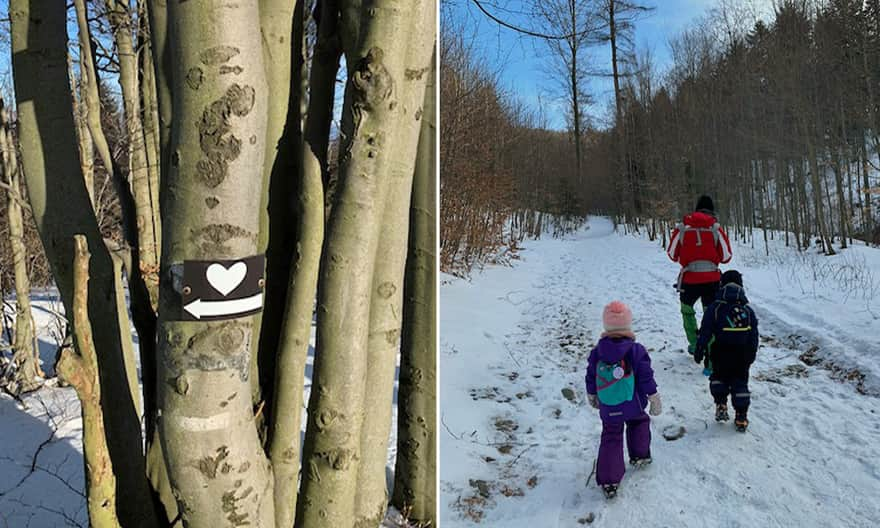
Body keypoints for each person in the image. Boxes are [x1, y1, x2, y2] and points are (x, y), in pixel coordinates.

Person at [585, 301, 662, 499]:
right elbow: (646, 376)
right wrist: (653, 396)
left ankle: (610, 480)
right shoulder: (636, 350)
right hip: (634, 404)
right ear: (628, 324)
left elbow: (590, 375)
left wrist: (592, 394)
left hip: (609, 406)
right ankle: (640, 455)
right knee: (639, 423)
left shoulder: (597, 352)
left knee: (611, 435)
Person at [666, 195, 733, 360]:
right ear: (712, 211)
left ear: (696, 209)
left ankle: (695, 345)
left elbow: (672, 254)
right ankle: (710, 351)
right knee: (711, 315)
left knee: (687, 312)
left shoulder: (682, 228)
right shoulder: (716, 229)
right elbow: (726, 256)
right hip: (711, 280)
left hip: (689, 280)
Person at [693, 270, 759, 432]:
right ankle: (741, 416)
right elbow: (754, 335)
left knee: (719, 379)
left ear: (721, 285)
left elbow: (706, 331)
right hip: (742, 354)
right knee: (740, 383)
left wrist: (699, 348)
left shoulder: (715, 308)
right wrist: (751, 354)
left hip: (720, 351)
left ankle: (721, 405)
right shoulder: (748, 311)